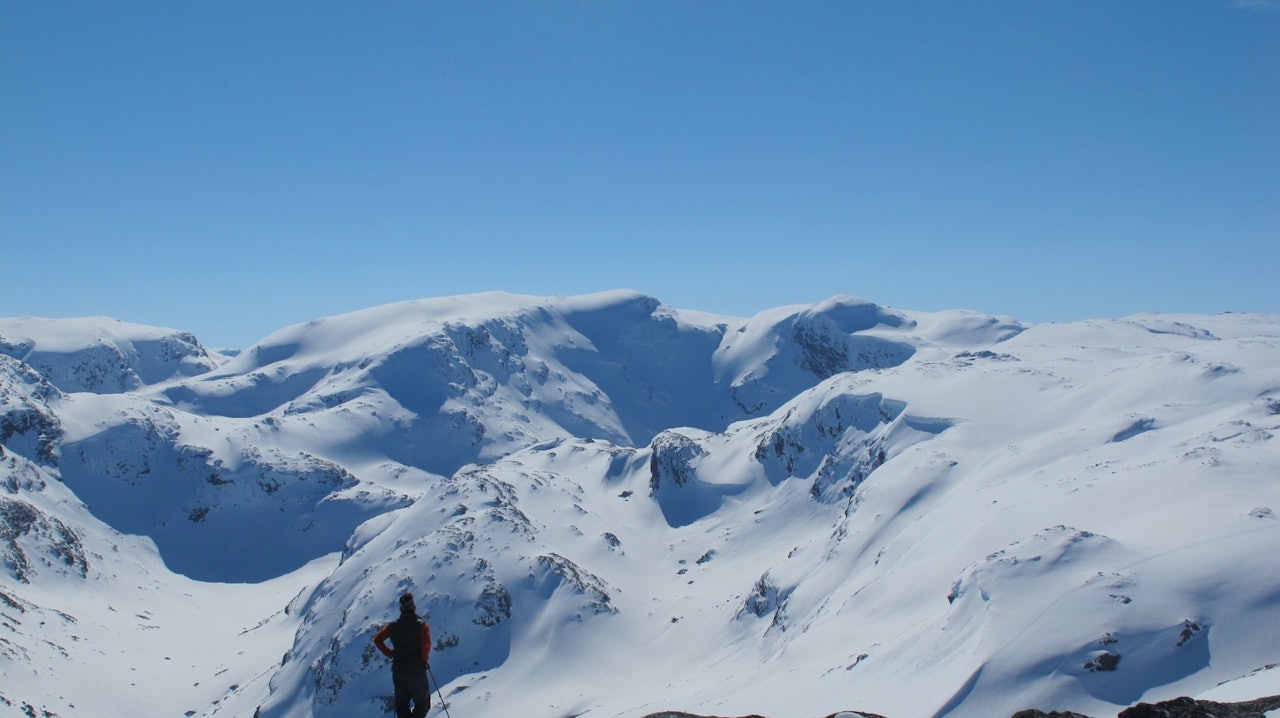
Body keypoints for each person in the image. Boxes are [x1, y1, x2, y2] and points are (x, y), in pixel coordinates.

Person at [373, 592, 433, 718]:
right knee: (423, 704)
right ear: (413, 607)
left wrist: (391, 654)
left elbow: (378, 640)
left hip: (398, 670)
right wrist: (423, 659)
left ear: (401, 608)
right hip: (416, 670)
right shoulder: (421, 626)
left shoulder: (392, 627)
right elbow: (426, 645)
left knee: (402, 706)